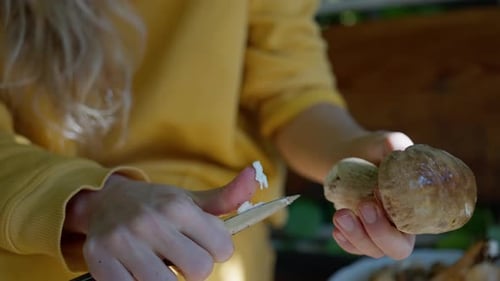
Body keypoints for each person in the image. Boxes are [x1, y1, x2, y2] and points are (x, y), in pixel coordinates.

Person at [0, 1, 415, 281]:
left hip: (214, 227)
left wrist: (362, 155)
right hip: (23, 228)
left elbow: (291, 95)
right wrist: (93, 200)